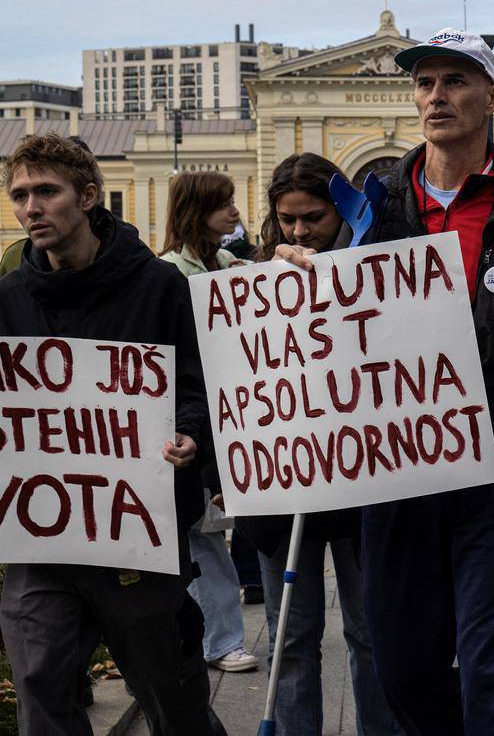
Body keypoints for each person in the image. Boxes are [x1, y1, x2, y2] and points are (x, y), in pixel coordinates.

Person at [276, 28, 494, 735]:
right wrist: (302, 283)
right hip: (401, 472)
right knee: (402, 666)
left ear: (493, 96)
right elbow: (338, 322)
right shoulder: (374, 208)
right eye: (425, 82)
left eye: (456, 81)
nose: (436, 96)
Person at [0, 134, 227, 735]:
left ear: (90, 197)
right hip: (41, 538)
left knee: (170, 693)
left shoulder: (158, 287)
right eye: (20, 195)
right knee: (40, 685)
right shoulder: (9, 299)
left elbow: (198, 385)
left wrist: (189, 435)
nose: (30, 208)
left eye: (46, 191)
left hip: (138, 535)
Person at [239, 152, 402, 736]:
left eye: (313, 217)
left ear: (343, 211)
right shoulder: (256, 284)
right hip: (283, 491)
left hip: (363, 485)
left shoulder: (376, 268)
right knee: (292, 640)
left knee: (370, 632)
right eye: (288, 220)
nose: (301, 231)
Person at [157, 172, 261, 675]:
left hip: (228, 419)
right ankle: (218, 639)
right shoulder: (172, 274)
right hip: (199, 422)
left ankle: (212, 638)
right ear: (197, 211)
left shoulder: (223, 264)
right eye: (224, 206)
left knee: (209, 532)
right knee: (202, 536)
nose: (235, 214)